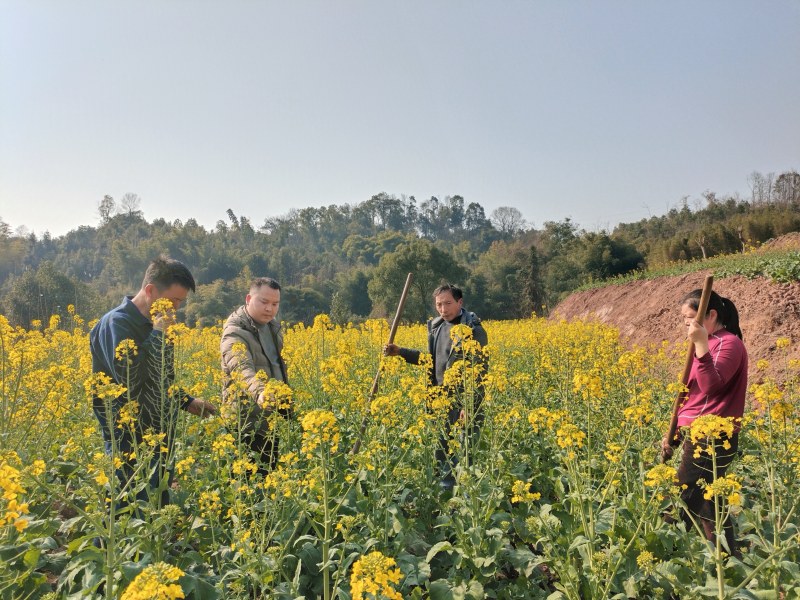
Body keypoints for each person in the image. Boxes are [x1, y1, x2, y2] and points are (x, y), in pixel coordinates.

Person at [90, 257, 217, 508]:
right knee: (125, 510)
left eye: (180, 302)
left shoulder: (158, 324)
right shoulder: (117, 324)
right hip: (128, 437)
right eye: (172, 300)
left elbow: (160, 379)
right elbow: (132, 381)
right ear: (150, 291)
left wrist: (186, 401)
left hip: (158, 434)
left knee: (156, 507)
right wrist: (159, 333)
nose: (176, 308)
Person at [662, 289, 747, 556]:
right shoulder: (709, 344)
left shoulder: (728, 343)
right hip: (699, 435)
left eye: (691, 318)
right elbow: (691, 399)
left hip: (714, 438)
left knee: (680, 505)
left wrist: (700, 345)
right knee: (712, 507)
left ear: (711, 315)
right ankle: (729, 562)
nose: (687, 324)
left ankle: (665, 564)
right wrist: (674, 437)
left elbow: (711, 387)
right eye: (684, 319)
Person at [384, 283, 488, 490]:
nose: (443, 309)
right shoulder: (437, 327)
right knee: (442, 452)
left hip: (462, 403)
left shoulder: (473, 330)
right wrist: (401, 352)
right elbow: (431, 361)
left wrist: (468, 405)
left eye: (448, 303)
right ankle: (447, 496)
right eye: (439, 305)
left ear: (460, 302)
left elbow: (479, 372)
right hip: (440, 400)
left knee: (465, 455)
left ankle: (468, 500)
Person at [220, 277, 291, 473]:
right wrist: (260, 392)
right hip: (246, 422)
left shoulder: (273, 327)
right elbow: (241, 369)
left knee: (269, 479)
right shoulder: (235, 331)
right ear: (248, 298)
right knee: (248, 487)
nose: (270, 309)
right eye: (264, 302)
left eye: (275, 304)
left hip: (270, 417)